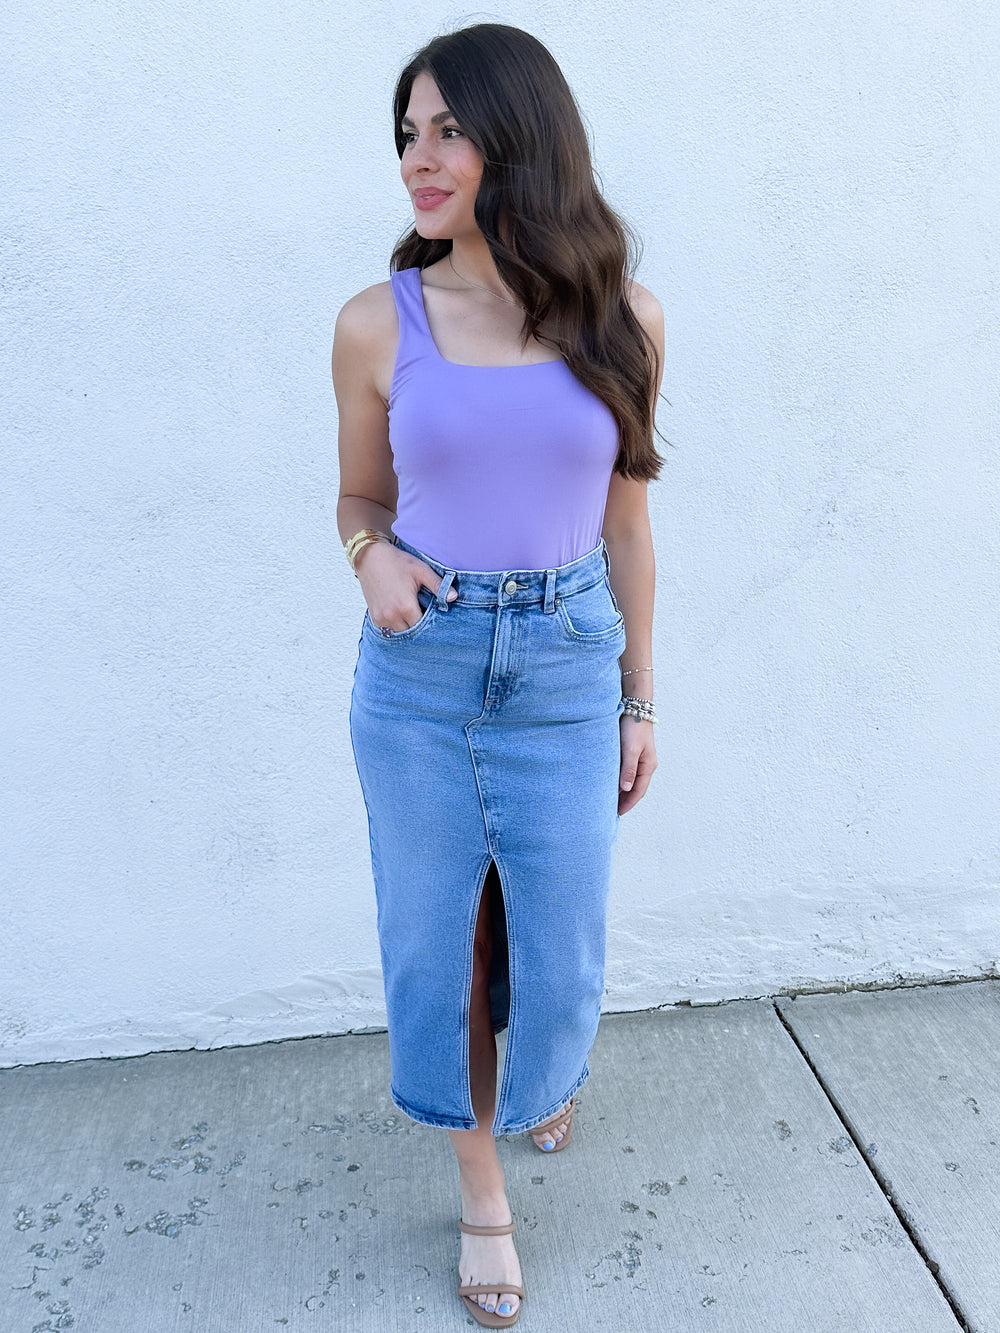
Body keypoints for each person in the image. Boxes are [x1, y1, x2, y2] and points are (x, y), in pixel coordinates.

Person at [332, 23, 663, 1328]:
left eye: (449, 130)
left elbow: (628, 526)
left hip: (568, 663)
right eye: (407, 133)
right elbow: (360, 498)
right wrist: (369, 555)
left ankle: (546, 1079)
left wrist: (640, 696)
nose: (419, 157)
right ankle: (483, 1190)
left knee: (556, 939)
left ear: (519, 138)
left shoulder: (622, 318)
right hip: (425, 670)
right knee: (445, 945)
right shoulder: (379, 322)